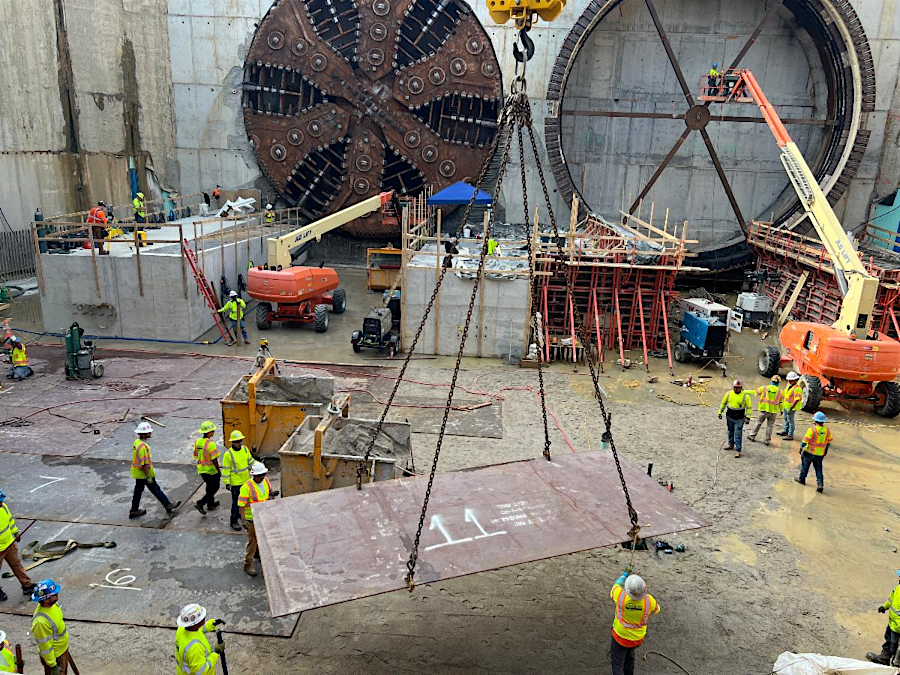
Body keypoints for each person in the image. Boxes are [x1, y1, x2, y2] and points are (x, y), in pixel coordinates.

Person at [609, 569, 660, 675]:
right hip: (637, 638)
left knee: (617, 664)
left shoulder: (621, 596)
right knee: (630, 657)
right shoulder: (649, 601)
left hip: (620, 636)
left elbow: (615, 586)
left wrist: (624, 574)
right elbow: (657, 610)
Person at [130, 422, 181, 519]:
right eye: (149, 432)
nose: (151, 433)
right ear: (144, 434)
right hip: (144, 473)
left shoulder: (137, 443)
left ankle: (134, 510)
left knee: (138, 490)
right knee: (155, 488)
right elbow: (144, 464)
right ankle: (167, 505)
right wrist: (148, 476)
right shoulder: (142, 447)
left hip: (138, 473)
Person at [238, 462, 278, 577]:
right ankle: (248, 564)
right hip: (252, 519)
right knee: (253, 542)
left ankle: (257, 556)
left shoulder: (265, 480)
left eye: (264, 474)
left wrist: (271, 494)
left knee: (263, 539)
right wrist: (244, 520)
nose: (263, 477)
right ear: (254, 475)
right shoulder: (246, 487)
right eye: (260, 475)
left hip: (263, 515)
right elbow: (241, 505)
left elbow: (269, 493)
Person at [0, 491, 36, 602]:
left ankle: (27, 585)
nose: (2, 502)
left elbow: (10, 521)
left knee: (17, 565)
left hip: (10, 544)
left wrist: (15, 533)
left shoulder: (4, 507)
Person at [31, 579, 69, 675]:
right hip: (56, 657)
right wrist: (53, 666)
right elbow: (45, 646)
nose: (57, 595)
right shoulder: (40, 622)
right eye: (54, 594)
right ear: (46, 598)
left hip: (62, 651)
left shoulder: (53, 605)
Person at [175, 603, 225, 675]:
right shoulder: (195, 648)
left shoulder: (182, 629)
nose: (204, 617)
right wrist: (216, 652)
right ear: (196, 623)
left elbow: (200, 630)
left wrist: (212, 624)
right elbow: (200, 671)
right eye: (202, 618)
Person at [222, 430, 254, 531]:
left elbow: (251, 462)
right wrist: (227, 483)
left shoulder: (245, 449)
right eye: (237, 441)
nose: (239, 443)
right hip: (236, 483)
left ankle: (242, 516)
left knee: (245, 502)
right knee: (236, 503)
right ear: (232, 442)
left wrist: (258, 467)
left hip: (246, 481)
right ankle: (234, 520)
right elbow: (226, 470)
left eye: (240, 440)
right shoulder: (228, 454)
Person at [867, 570, 900, 666]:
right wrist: (885, 607)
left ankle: (895, 665)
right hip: (893, 623)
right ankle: (884, 658)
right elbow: (891, 599)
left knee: (895, 646)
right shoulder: (898, 587)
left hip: (898, 626)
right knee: (889, 640)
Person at [794, 411, 832, 493]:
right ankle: (820, 484)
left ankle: (802, 479)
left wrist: (801, 448)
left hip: (809, 452)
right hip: (820, 454)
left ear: (815, 421)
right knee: (818, 469)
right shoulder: (827, 431)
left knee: (805, 467)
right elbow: (828, 442)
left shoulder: (812, 430)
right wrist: (825, 451)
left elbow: (805, 441)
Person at [718, 379, 752, 458]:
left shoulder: (745, 396)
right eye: (735, 387)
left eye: (738, 388)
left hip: (739, 418)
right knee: (730, 431)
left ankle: (738, 450)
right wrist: (720, 412)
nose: (736, 389)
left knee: (738, 433)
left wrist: (748, 417)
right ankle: (731, 444)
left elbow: (749, 408)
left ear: (741, 388)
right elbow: (723, 403)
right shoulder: (729, 394)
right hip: (730, 416)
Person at [193, 421, 221, 515]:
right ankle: (201, 503)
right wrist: (218, 471)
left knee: (209, 487)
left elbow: (196, 455)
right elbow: (215, 460)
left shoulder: (198, 442)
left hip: (201, 470)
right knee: (215, 488)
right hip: (211, 471)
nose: (214, 432)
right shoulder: (211, 444)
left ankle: (211, 504)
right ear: (209, 432)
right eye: (212, 430)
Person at [748, 374, 782, 446]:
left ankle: (752, 436)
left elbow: (755, 392)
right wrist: (781, 410)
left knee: (758, 423)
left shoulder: (764, 388)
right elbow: (781, 402)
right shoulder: (780, 391)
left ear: (771, 381)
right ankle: (767, 440)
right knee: (770, 426)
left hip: (763, 410)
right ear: (778, 383)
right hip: (773, 412)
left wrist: (744, 392)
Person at [777, 372, 802, 440]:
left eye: (791, 380)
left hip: (791, 407)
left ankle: (790, 435)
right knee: (786, 419)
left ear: (796, 380)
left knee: (790, 421)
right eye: (789, 380)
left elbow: (796, 399)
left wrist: (791, 408)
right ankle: (785, 431)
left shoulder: (798, 389)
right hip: (786, 406)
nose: (789, 381)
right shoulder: (789, 385)